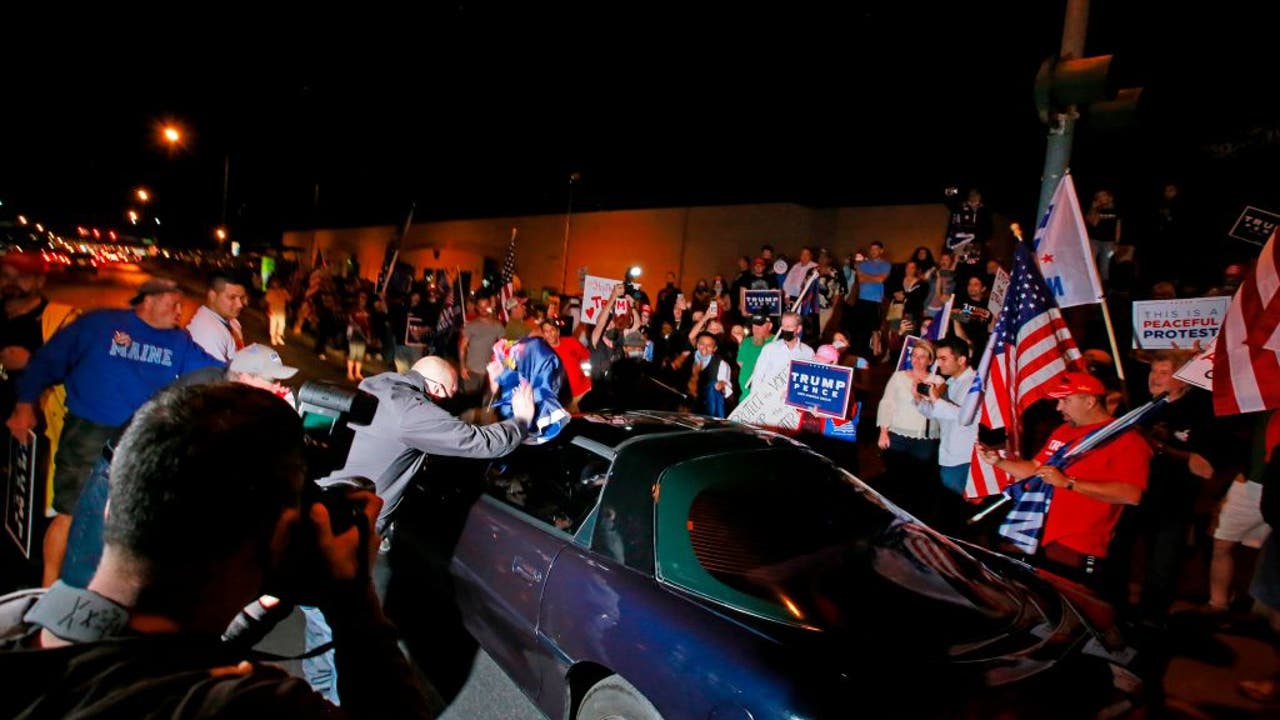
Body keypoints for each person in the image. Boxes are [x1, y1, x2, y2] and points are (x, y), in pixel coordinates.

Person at [0, 384, 433, 719]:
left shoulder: (17, 615)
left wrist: (255, 608)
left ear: (114, 507)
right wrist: (354, 602)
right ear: (280, 536)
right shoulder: (241, 707)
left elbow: (145, 653)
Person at [306, 355, 534, 701]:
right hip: (345, 535)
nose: (448, 400)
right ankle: (335, 706)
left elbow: (446, 415)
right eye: (449, 393)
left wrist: (490, 388)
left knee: (319, 624)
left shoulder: (380, 385)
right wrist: (521, 420)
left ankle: (317, 694)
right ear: (437, 389)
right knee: (341, 637)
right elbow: (478, 441)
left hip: (323, 515)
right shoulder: (410, 412)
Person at [7, 278, 223, 587]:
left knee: (125, 517)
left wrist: (248, 374)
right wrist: (24, 404)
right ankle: (47, 588)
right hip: (89, 434)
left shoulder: (179, 341)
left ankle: (100, 587)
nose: (180, 311)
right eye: (173, 304)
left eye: (181, 304)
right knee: (70, 513)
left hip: (137, 437)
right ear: (148, 300)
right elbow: (47, 362)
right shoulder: (99, 325)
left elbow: (214, 370)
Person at [58, 343, 301, 590]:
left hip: (147, 477)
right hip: (119, 472)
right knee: (86, 567)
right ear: (245, 376)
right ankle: (63, 612)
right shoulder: (205, 394)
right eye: (272, 380)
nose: (278, 386)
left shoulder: (229, 391)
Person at [977, 372, 1151, 589]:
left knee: (1070, 600)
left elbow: (1131, 495)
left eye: (1065, 400)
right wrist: (999, 462)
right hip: (1038, 534)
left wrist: (1069, 483)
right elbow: (1035, 469)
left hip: (1079, 542)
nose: (1059, 408)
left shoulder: (1127, 440)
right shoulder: (1064, 430)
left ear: (1089, 401)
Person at [913, 336, 976, 496]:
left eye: (943, 359)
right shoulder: (950, 383)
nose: (938, 363)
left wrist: (935, 398)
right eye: (938, 358)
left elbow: (964, 418)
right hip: (948, 454)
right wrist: (918, 398)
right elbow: (935, 413)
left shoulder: (974, 384)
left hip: (964, 457)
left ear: (961, 360)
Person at [186, 271, 249, 361]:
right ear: (212, 296)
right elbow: (213, 369)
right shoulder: (208, 333)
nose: (240, 305)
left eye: (241, 298)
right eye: (232, 297)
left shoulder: (232, 322)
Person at [746, 311, 814, 389]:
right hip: (770, 395)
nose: (785, 329)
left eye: (788, 326)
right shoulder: (769, 349)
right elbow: (757, 377)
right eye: (783, 326)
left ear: (798, 329)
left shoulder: (808, 352)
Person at [264, 276, 292, 346]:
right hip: (273, 311)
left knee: (282, 325)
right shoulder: (270, 292)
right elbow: (267, 302)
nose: (275, 284)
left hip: (281, 312)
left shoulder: (283, 291)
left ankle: (278, 336)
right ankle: (273, 337)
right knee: (273, 325)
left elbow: (289, 299)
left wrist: (287, 292)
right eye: (274, 283)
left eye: (277, 283)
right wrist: (267, 310)